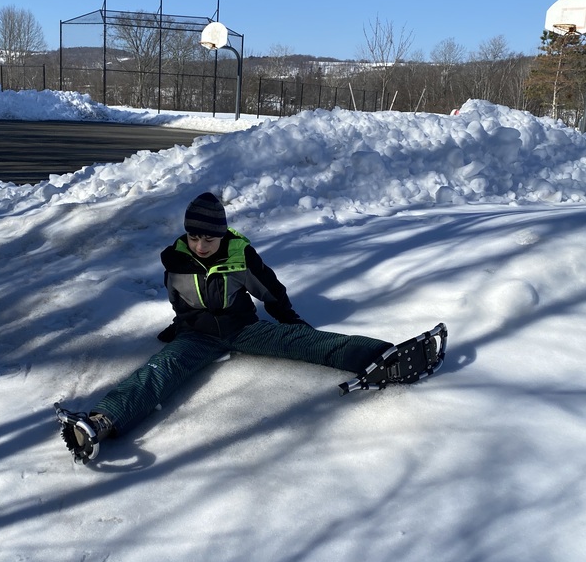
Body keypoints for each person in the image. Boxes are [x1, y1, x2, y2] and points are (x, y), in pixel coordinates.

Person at [56, 192, 442, 462]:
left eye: (208, 237)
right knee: (158, 372)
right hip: (196, 335)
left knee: (305, 342)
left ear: (221, 235)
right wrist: (180, 326)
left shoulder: (240, 257)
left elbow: (270, 291)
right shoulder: (175, 261)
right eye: (194, 236)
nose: (200, 244)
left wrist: (290, 320)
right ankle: (102, 421)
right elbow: (177, 299)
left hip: (243, 328)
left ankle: (384, 356)